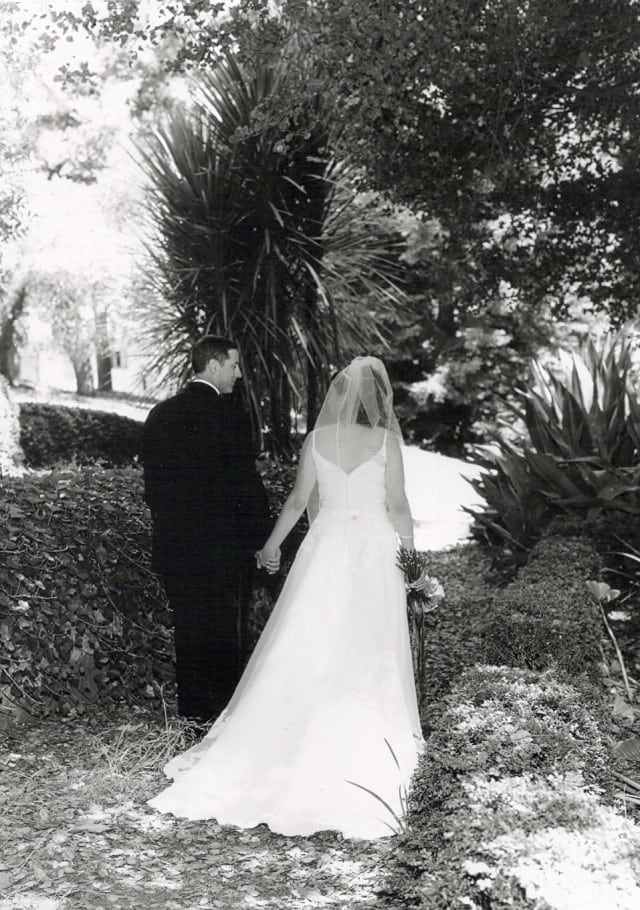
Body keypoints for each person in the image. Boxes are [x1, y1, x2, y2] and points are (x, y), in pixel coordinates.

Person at [148, 356, 424, 839]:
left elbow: (298, 502)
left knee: (309, 637)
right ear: (380, 398)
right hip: (374, 552)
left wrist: (272, 546)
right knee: (368, 642)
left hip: (327, 548)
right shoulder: (386, 442)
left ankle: (284, 732)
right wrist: (413, 562)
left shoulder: (317, 441)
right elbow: (399, 505)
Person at [142, 335, 272, 726]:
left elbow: (154, 491)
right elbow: (246, 488)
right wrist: (262, 540)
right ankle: (224, 720)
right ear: (213, 366)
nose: (238, 374)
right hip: (221, 552)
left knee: (189, 633)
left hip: (176, 550)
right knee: (225, 635)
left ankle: (193, 717)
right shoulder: (229, 415)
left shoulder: (159, 415)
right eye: (234, 366)